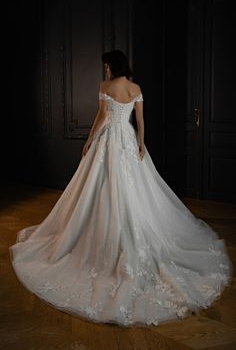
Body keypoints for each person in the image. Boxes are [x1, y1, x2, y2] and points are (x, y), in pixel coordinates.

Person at [9, 49, 232, 327]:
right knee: (137, 189)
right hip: (127, 140)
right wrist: (141, 143)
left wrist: (89, 141)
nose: (104, 70)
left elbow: (102, 116)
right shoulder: (136, 87)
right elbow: (140, 120)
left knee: (99, 187)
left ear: (111, 66)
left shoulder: (106, 86)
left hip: (109, 141)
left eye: (105, 66)